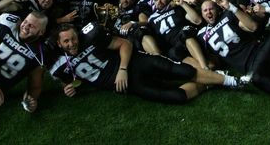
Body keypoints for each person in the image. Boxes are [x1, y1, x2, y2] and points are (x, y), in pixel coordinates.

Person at [52, 22, 241, 104]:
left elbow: (125, 44)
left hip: (134, 63)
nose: (71, 43)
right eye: (66, 42)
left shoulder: (90, 38)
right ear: (59, 43)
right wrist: (69, 88)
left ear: (77, 35)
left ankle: (232, 81)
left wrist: (122, 69)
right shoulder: (60, 64)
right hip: (131, 85)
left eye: (73, 38)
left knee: (180, 71)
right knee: (176, 97)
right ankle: (209, 83)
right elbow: (69, 80)